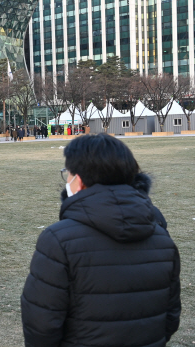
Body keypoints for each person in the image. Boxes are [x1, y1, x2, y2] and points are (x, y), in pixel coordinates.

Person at [21, 134, 180, 347]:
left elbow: (41, 324)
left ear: (79, 179)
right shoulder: (161, 237)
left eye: (68, 173)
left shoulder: (58, 240)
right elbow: (170, 317)